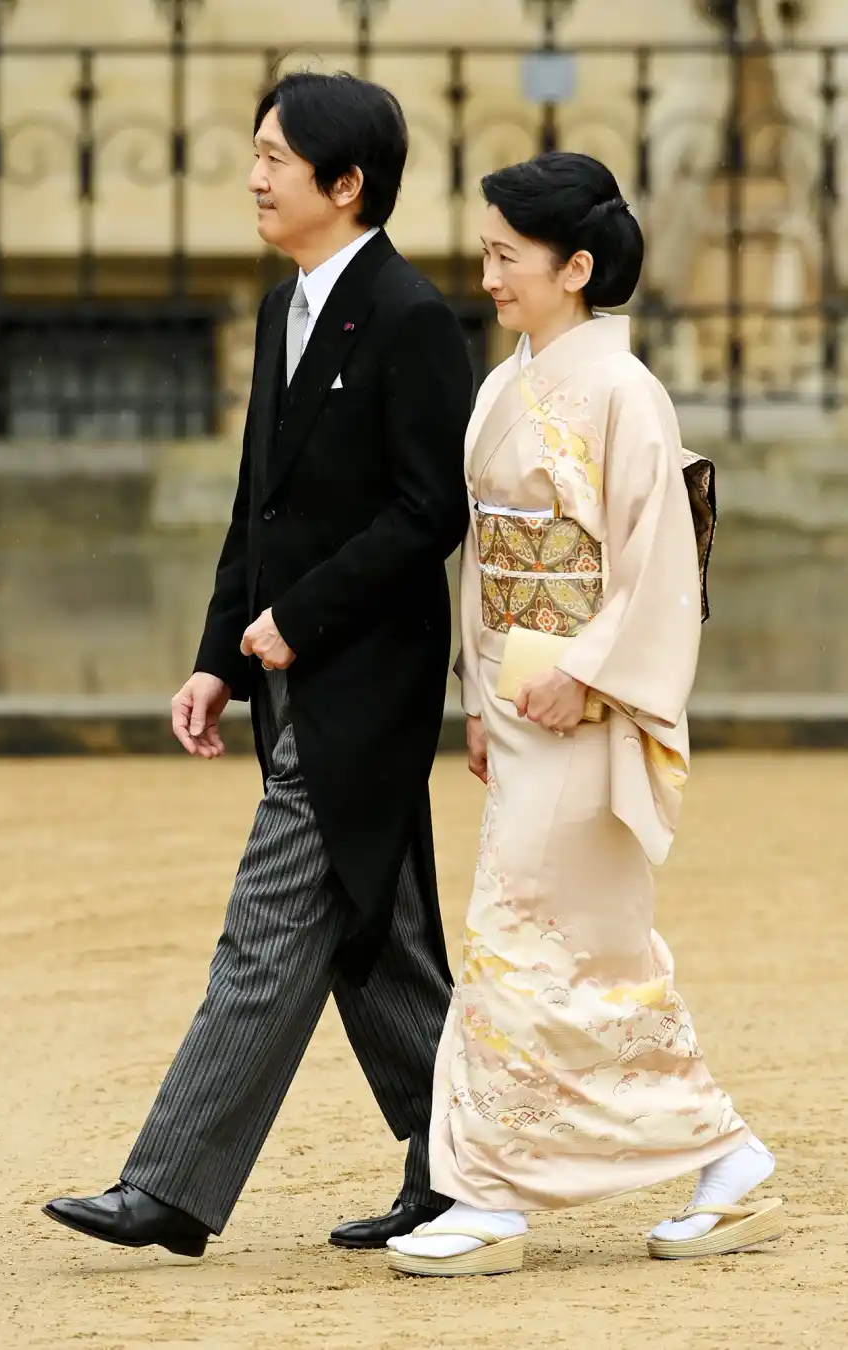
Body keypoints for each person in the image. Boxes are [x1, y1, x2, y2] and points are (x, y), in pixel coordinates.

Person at [43, 71, 473, 1258]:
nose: (255, 175)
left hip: (365, 685)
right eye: (255, 151)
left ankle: (170, 1186)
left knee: (267, 922)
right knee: (371, 941)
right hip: (290, 676)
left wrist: (300, 619)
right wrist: (217, 660)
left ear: (347, 184)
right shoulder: (287, 303)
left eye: (278, 157)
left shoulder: (412, 317)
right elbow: (259, 508)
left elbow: (430, 509)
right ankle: (467, 1163)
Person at [386, 152, 783, 1278]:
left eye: (507, 256)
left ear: (578, 265)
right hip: (520, 696)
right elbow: (488, 556)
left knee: (518, 933)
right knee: (589, 952)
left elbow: (663, 561)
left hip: (587, 704)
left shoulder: (624, 392)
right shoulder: (505, 381)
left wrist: (595, 672)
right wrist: (481, 690)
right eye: (488, 253)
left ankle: (489, 1196)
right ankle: (727, 1156)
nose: (489, 275)